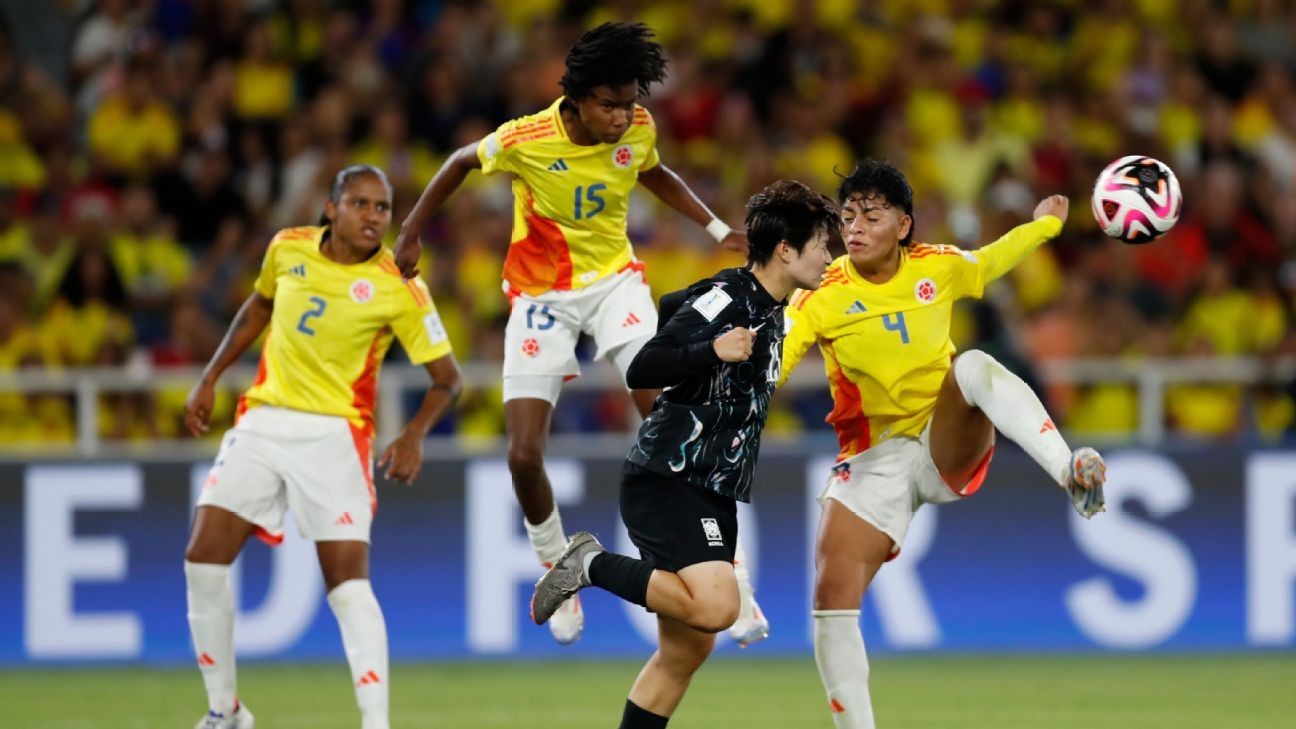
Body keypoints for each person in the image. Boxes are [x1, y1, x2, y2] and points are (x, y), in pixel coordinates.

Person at [392, 21, 767, 646]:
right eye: (610, 105)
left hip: (615, 284)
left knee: (671, 420)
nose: (623, 117)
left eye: (630, 103)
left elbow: (653, 171)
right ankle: (557, 566)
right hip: (542, 298)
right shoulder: (526, 138)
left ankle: (732, 572)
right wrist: (410, 233)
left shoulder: (637, 127)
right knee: (522, 453)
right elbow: (459, 162)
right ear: (576, 99)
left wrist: (715, 228)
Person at [779, 159, 1107, 728]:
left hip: (944, 436)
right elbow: (777, 363)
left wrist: (1046, 226)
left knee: (973, 364)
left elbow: (993, 259)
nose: (854, 227)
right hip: (872, 460)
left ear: (903, 225)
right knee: (830, 598)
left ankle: (1068, 471)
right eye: (848, 216)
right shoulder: (820, 295)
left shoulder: (938, 265)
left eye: (871, 216)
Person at [531, 180, 838, 729]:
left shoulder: (771, 305)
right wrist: (710, 349)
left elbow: (675, 304)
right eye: (821, 244)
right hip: (668, 475)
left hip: (709, 487)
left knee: (686, 651)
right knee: (718, 607)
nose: (828, 256)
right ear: (786, 250)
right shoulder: (730, 297)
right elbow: (643, 366)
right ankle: (587, 563)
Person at [182, 165, 462, 729]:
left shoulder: (400, 284)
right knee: (203, 561)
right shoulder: (287, 247)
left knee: (348, 586)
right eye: (359, 203)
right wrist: (210, 376)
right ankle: (224, 710)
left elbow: (448, 379)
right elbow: (258, 308)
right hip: (263, 422)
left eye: (382, 207)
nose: (373, 216)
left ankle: (376, 724)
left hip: (336, 435)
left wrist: (413, 434)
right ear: (331, 208)